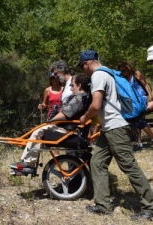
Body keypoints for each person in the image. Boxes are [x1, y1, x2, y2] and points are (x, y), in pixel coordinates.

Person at [78, 50, 153, 221]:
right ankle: (103, 205)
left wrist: (85, 117)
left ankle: (150, 207)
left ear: (87, 63)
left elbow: (96, 105)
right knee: (97, 162)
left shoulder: (98, 75)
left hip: (116, 127)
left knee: (129, 166)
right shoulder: (108, 72)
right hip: (108, 128)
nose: (83, 71)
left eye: (82, 67)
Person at [9, 73, 91, 176]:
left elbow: (64, 115)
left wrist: (49, 122)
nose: (70, 88)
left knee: (39, 131)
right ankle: (27, 162)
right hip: (69, 128)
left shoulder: (79, 98)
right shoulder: (83, 97)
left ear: (79, 86)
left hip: (69, 130)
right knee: (38, 131)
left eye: (72, 85)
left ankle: (28, 164)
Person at [117, 61, 153, 151]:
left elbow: (146, 84)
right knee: (134, 121)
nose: (123, 72)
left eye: (124, 70)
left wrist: (151, 98)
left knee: (140, 120)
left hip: (142, 99)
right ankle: (139, 143)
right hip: (133, 102)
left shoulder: (136, 74)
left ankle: (147, 140)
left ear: (128, 68)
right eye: (121, 71)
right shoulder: (123, 78)